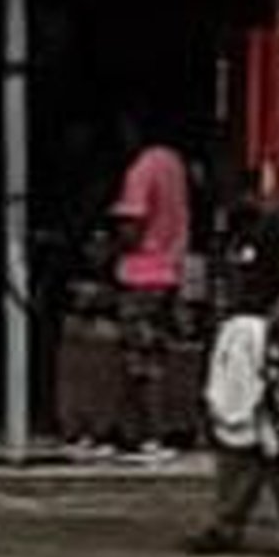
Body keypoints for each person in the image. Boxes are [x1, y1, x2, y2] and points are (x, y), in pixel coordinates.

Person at [192, 205, 279, 557]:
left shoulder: (274, 226)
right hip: (239, 338)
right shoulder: (229, 234)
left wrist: (266, 333)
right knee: (236, 430)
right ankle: (228, 522)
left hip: (267, 339)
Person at [104, 114, 196, 453]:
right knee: (152, 355)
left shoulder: (141, 169)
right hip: (169, 270)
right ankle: (131, 432)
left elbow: (132, 224)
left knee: (139, 361)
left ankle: (149, 435)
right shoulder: (173, 163)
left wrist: (110, 248)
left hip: (141, 273)